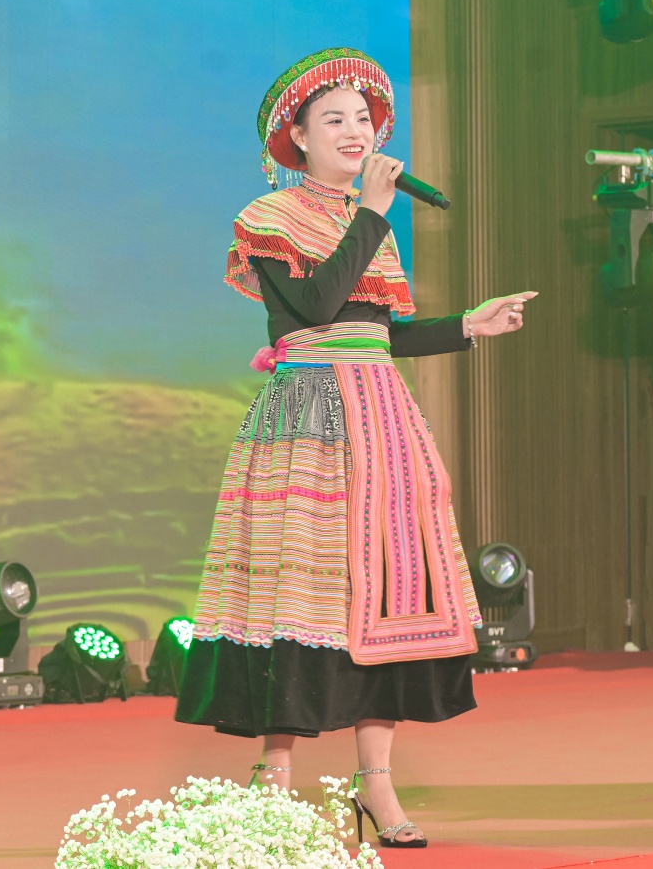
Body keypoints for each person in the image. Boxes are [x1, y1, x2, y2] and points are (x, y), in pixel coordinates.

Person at [175, 47, 535, 848]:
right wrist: (371, 213)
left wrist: (469, 325)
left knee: (381, 594)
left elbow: (379, 333)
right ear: (297, 138)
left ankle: (376, 781)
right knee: (299, 592)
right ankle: (274, 775)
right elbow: (312, 309)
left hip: (382, 417)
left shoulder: (372, 227)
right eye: (333, 118)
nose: (354, 130)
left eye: (363, 118)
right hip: (309, 415)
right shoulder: (267, 218)